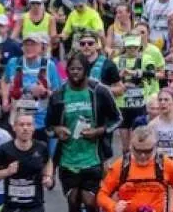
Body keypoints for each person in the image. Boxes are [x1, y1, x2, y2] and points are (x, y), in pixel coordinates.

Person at [44, 52, 121, 212]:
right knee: (73, 200)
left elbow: (118, 119)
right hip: (67, 159)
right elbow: (48, 127)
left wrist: (98, 131)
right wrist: (58, 130)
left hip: (93, 158)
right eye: (72, 69)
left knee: (90, 200)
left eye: (79, 68)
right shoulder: (59, 94)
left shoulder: (100, 91)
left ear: (86, 69)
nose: (75, 72)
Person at [95, 125, 173, 212]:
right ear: (131, 147)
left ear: (155, 147)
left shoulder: (165, 164)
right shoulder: (121, 166)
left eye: (147, 151)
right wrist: (113, 206)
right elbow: (101, 195)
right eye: (138, 151)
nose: (143, 155)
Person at [0, 112, 54, 212]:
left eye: (29, 125)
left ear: (33, 128)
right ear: (14, 128)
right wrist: (6, 172)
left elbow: (48, 162)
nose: (25, 128)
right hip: (12, 207)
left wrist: (48, 177)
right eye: (21, 125)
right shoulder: (4, 149)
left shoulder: (41, 147)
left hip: (35, 206)